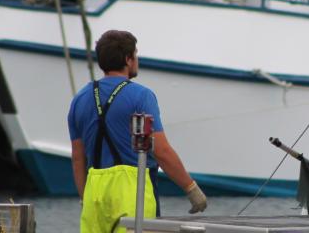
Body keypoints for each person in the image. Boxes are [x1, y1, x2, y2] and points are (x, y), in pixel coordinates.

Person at [69, 30, 207, 233]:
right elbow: (161, 151)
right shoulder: (141, 96)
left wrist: (85, 198)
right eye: (136, 54)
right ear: (128, 59)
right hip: (132, 192)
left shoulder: (79, 99)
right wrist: (191, 188)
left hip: (94, 193)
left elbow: (78, 158)